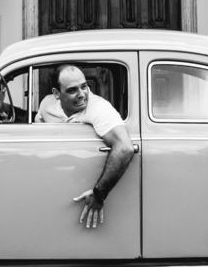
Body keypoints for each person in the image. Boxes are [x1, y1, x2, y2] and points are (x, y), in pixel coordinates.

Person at [37, 65, 135, 229]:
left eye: (84, 86)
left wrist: (99, 194)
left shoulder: (98, 108)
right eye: (72, 90)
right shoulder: (47, 104)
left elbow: (125, 147)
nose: (82, 94)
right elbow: (36, 126)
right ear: (56, 94)